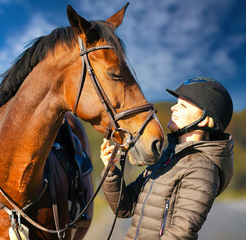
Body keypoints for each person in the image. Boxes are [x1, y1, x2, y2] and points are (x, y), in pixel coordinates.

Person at [100, 76, 234, 240]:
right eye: (177, 103)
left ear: (205, 120)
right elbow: (125, 207)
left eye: (183, 106)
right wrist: (111, 171)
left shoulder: (203, 169)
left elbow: (180, 234)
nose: (173, 108)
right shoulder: (166, 158)